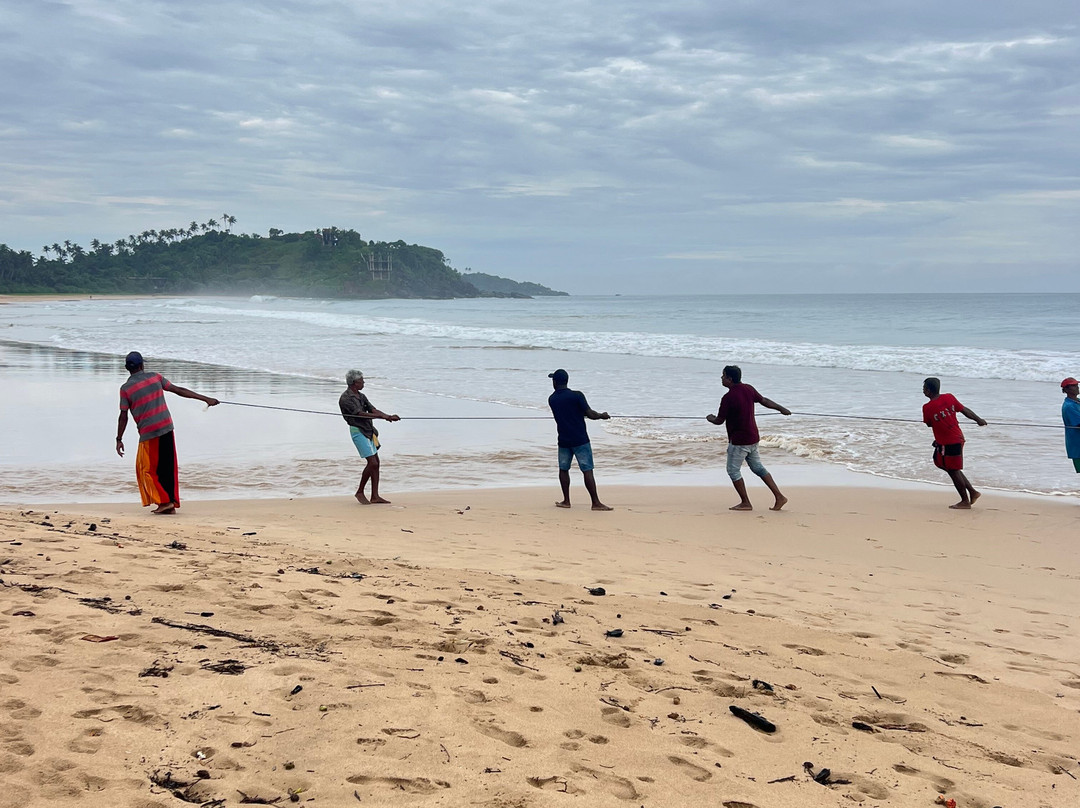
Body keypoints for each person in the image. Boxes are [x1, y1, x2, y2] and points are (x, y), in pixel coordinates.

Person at [115, 351, 219, 514]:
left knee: (145, 469)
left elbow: (123, 415)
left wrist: (119, 439)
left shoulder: (126, 389)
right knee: (167, 467)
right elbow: (178, 390)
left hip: (149, 432)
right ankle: (169, 502)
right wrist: (206, 398)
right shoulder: (155, 377)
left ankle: (165, 502)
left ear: (127, 368)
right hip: (167, 427)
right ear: (142, 365)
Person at [706, 365, 790, 511]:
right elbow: (764, 400)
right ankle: (779, 497)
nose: (721, 378)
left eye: (723, 376)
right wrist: (781, 409)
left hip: (739, 441)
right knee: (757, 467)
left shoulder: (728, 397)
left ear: (729, 379)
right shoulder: (748, 389)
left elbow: (719, 421)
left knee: (733, 471)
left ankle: (746, 503)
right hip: (753, 437)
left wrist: (710, 418)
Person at [547, 369, 612, 511]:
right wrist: (602, 416)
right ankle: (595, 503)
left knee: (563, 469)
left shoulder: (552, 399)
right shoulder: (577, 396)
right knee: (587, 470)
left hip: (563, 440)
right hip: (580, 439)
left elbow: (567, 412)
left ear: (555, 382)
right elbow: (590, 414)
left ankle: (566, 501)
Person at [921, 377, 987, 509]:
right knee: (939, 461)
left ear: (928, 390)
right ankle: (972, 492)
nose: (923, 391)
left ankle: (965, 501)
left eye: (924, 388)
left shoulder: (927, 407)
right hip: (954, 438)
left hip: (950, 442)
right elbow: (965, 410)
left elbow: (929, 424)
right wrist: (978, 419)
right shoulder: (949, 398)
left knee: (953, 470)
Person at [339, 370, 399, 504]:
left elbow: (372, 410)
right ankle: (360, 491)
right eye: (361, 381)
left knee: (376, 464)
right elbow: (359, 414)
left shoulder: (361, 396)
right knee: (372, 463)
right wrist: (381, 417)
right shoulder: (346, 398)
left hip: (368, 430)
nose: (364, 383)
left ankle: (375, 496)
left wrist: (388, 416)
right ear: (354, 383)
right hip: (358, 431)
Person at [1061, 377, 1080, 474]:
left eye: (1077, 385)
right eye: (1073, 386)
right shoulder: (1069, 406)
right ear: (1066, 390)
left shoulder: (1077, 401)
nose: (1077, 387)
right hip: (1078, 446)